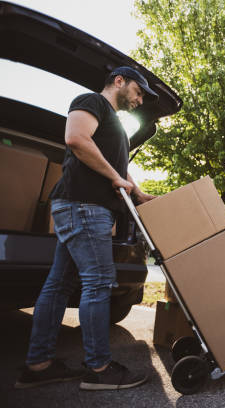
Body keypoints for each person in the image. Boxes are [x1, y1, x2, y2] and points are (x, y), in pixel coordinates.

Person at [15, 67, 158, 390]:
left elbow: (118, 168)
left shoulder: (114, 124)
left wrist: (137, 191)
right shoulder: (91, 101)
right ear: (119, 81)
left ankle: (38, 365)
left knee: (59, 284)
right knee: (98, 282)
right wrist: (114, 178)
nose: (140, 99)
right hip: (84, 206)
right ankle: (99, 368)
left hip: (83, 207)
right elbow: (76, 139)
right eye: (139, 91)